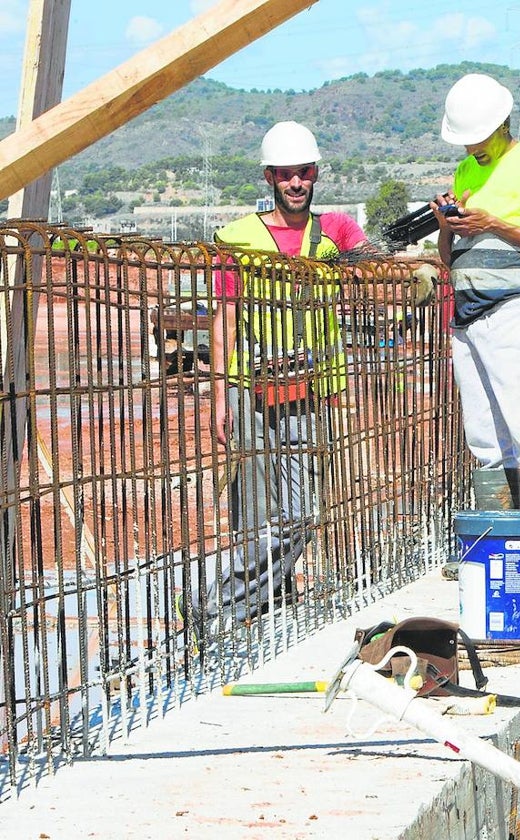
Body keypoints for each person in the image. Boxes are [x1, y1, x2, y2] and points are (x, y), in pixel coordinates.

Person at [180, 121, 417, 640]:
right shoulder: (238, 237)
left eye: (303, 174)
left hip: (307, 384)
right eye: (286, 175)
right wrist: (219, 394)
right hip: (249, 384)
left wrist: (387, 254)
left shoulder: (334, 232)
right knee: (255, 508)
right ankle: (259, 600)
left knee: (303, 512)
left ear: (315, 175)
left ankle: (222, 602)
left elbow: (375, 261)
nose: (295, 183)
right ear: (270, 176)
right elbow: (222, 318)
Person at [434, 73, 520, 581]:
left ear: (501, 123)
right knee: (484, 438)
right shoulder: (465, 171)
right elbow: (449, 255)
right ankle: (493, 539)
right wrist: (448, 227)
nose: (472, 145)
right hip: (467, 314)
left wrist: (495, 223)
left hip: (513, 309)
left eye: (478, 135)